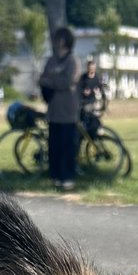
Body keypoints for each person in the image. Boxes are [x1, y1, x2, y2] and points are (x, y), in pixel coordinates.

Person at [40, 26, 81, 190]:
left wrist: (51, 81)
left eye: (60, 39)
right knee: (54, 145)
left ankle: (68, 177)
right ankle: (55, 176)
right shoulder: (51, 60)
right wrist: (53, 81)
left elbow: (68, 81)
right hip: (53, 110)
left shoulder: (73, 60)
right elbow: (42, 78)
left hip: (68, 110)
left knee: (67, 145)